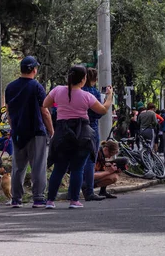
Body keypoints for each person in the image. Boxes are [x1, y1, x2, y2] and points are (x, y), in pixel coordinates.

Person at [43, 65, 113, 209]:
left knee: (59, 168)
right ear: (83, 79)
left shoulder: (57, 90)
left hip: (62, 132)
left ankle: (50, 200)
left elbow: (45, 104)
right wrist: (109, 95)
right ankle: (74, 200)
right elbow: (103, 109)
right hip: (82, 133)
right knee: (77, 168)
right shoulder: (87, 96)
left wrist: (61, 102)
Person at [5, 56, 54, 208]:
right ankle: (38, 198)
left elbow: (8, 111)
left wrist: (13, 127)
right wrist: (51, 130)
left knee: (18, 167)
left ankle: (16, 199)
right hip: (36, 132)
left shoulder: (10, 87)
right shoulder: (37, 87)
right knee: (38, 165)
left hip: (18, 132)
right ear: (34, 69)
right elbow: (44, 111)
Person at [81, 68, 106, 201]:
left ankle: (73, 188)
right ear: (95, 79)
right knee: (91, 160)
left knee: (78, 160)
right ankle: (89, 190)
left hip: (77, 128)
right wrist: (109, 97)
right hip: (92, 127)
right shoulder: (94, 92)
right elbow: (99, 113)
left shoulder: (76, 92)